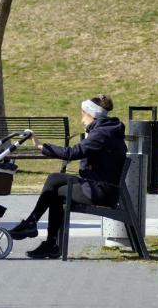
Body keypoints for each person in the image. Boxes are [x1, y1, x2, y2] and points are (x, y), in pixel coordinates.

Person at [8, 94, 127, 259]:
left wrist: (40, 146)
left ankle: (42, 234)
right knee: (54, 180)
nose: (81, 120)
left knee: (55, 191)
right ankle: (38, 230)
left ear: (92, 115)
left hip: (100, 192)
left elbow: (73, 153)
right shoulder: (108, 130)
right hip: (100, 187)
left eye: (83, 114)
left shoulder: (102, 134)